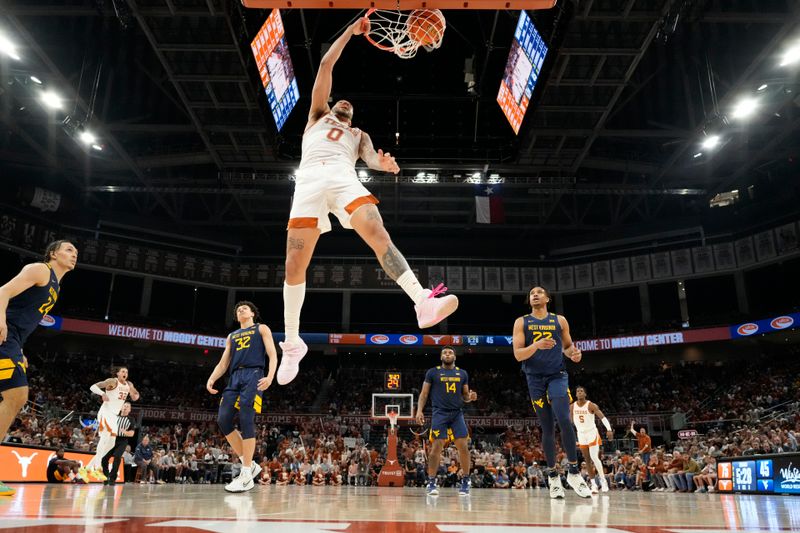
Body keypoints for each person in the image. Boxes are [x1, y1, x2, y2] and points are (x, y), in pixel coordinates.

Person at [277, 16, 458, 385]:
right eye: (340, 102)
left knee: (377, 231)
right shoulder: (315, 116)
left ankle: (421, 299)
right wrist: (351, 31)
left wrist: (382, 163)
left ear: (352, 116)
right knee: (294, 265)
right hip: (310, 179)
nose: (344, 104)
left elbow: (370, 158)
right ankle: (293, 342)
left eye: (349, 106)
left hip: (344, 177)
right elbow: (327, 63)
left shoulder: (358, 134)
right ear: (331, 107)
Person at [0, 240, 77, 496]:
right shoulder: (41, 270)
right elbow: (2, 292)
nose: (74, 254)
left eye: (76, 252)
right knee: (16, 395)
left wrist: (19, 350)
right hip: (3, 334)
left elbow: (23, 315)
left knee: (15, 396)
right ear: (53, 253)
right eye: (68, 249)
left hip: (13, 341)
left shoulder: (56, 285)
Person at [511, 286, 591, 499]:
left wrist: (574, 354)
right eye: (531, 293)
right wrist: (536, 344)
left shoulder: (560, 320)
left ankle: (574, 472)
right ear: (529, 300)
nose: (535, 294)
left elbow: (568, 347)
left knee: (564, 419)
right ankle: (554, 477)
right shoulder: (522, 322)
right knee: (547, 427)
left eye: (539, 292)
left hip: (557, 375)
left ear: (547, 298)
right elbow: (518, 355)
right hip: (534, 378)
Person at [207, 301, 277, 492]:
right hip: (235, 376)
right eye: (238, 309)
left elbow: (272, 354)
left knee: (246, 419)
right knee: (223, 419)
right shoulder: (232, 335)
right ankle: (250, 464)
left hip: (254, 374)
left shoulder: (261, 328)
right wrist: (211, 379)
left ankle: (246, 474)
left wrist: (270, 376)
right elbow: (223, 363)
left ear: (253, 313)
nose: (240, 310)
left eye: (244, 308)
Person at [415, 346, 477, 497]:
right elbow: (424, 394)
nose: (447, 354)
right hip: (439, 413)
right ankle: (431, 482)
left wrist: (471, 397)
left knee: (463, 446)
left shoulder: (462, 373)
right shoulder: (432, 372)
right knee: (436, 447)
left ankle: (466, 481)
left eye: (450, 353)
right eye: (445, 352)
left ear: (454, 357)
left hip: (457, 414)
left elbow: (465, 396)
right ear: (441, 357)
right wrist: (419, 410)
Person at [83, 367, 140, 482]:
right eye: (123, 371)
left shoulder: (128, 384)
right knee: (104, 439)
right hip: (105, 412)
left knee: (110, 444)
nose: (125, 373)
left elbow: (135, 396)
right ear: (117, 373)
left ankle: (86, 468)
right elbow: (92, 387)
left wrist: (134, 392)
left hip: (114, 416)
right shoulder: (112, 381)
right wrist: (102, 393)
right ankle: (97, 468)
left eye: (127, 372)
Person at [570, 386, 612, 493]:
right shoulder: (572, 407)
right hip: (581, 434)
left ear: (585, 394)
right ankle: (593, 485)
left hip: (591, 432)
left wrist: (609, 429)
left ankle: (603, 481)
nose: (579, 393)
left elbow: (602, 417)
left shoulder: (591, 405)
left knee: (594, 457)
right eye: (577, 391)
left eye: (581, 391)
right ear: (575, 394)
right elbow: (570, 421)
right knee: (587, 460)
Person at [101, 401, 135, 485]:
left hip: (122, 440)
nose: (125, 407)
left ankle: (112, 478)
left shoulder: (131, 419)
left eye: (127, 407)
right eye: (124, 406)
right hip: (112, 439)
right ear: (121, 407)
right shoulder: (114, 416)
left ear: (129, 410)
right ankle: (106, 476)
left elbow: (132, 433)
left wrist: (125, 432)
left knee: (117, 457)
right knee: (104, 459)